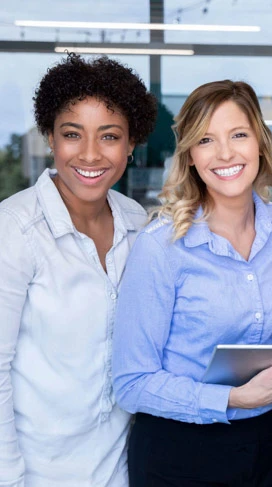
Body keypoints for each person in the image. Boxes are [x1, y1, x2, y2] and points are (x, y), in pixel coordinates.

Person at [112, 80, 272, 487]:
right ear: (191, 156)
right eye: (205, 140)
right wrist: (234, 399)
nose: (225, 153)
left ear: (260, 141)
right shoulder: (162, 245)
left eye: (238, 134)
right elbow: (132, 384)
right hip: (181, 453)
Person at [0, 53, 157, 486]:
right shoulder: (15, 230)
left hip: (123, 469)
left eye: (109, 136)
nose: (90, 154)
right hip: (37, 474)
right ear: (51, 137)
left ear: (130, 144)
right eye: (73, 134)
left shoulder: (138, 224)